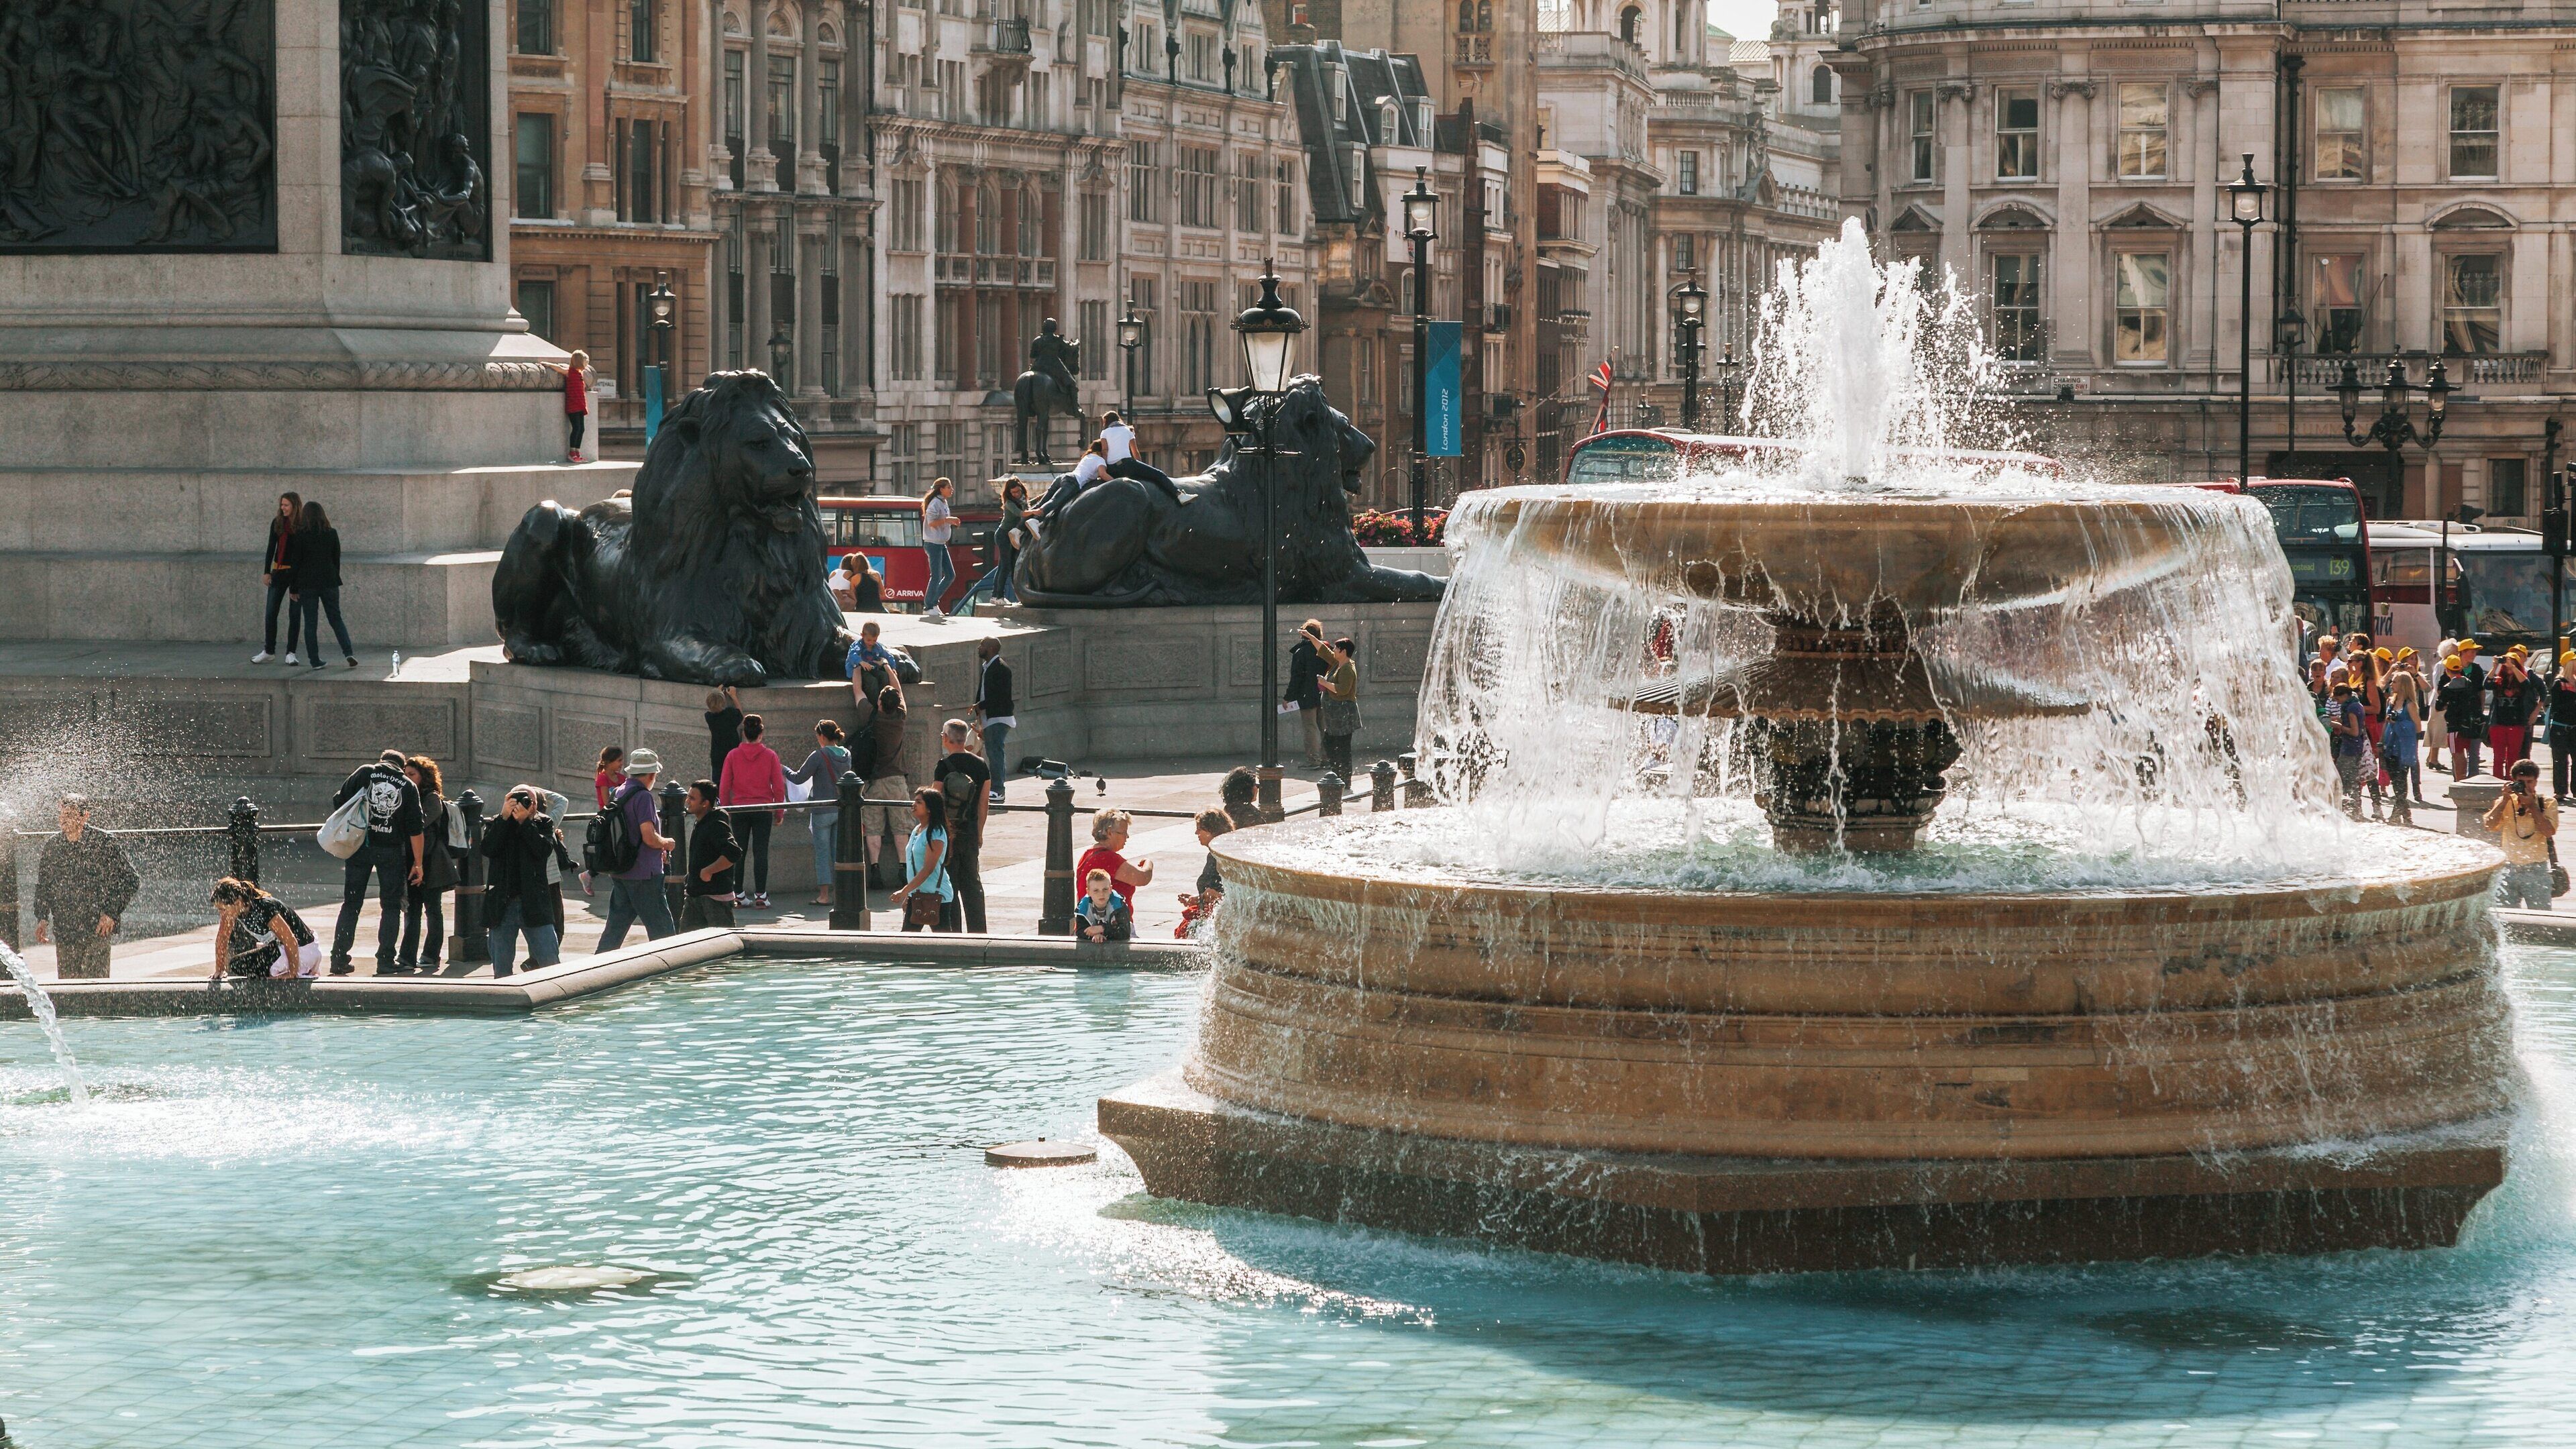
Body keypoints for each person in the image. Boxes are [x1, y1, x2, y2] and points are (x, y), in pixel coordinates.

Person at [327, 748, 426, 975]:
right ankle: (385, 961)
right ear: (401, 767)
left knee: (351, 904)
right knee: (391, 906)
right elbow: (416, 829)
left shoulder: (365, 773)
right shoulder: (407, 786)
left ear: (382, 761)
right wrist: (418, 863)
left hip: (360, 846)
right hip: (390, 851)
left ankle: (339, 959)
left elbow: (339, 800)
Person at [31, 794, 138, 981]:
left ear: (85, 816)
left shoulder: (104, 842)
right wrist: (42, 918)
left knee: (95, 989)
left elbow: (131, 880)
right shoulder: (53, 846)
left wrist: (111, 913)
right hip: (66, 929)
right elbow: (44, 886)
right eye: (62, 814)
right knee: (68, 990)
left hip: (96, 928)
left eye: (71, 814)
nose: (64, 819)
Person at [597, 747, 680, 951]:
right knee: (664, 935)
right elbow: (649, 838)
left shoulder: (619, 791)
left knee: (614, 931)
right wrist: (667, 842)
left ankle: (596, 967)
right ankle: (672, 976)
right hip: (645, 875)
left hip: (621, 871)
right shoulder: (643, 797)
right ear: (652, 774)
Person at [480, 784, 566, 976]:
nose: (522, 805)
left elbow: (543, 850)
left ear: (535, 806)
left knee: (551, 964)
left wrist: (525, 824)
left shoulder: (543, 823)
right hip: (503, 904)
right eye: (515, 800)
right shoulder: (497, 822)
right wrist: (504, 818)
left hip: (534, 902)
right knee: (501, 969)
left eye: (527, 802)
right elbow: (488, 849)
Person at [394, 754, 463, 975]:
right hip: (414, 860)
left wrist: (418, 862)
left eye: (412, 774)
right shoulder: (407, 796)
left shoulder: (431, 798)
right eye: (405, 774)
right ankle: (407, 956)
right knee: (412, 911)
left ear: (424, 776)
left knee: (433, 910)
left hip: (432, 862)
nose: (407, 778)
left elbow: (422, 829)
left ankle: (430, 955)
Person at [718, 713, 787, 910]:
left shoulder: (732, 755)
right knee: (760, 852)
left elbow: (724, 786)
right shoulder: (770, 756)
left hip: (739, 809)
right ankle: (761, 895)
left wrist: (726, 809)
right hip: (763, 809)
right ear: (761, 733)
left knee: (738, 852)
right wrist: (779, 812)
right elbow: (778, 787)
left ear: (744, 733)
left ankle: (738, 893)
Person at [932, 719, 992, 932]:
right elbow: (983, 804)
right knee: (972, 885)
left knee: (950, 885)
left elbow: (935, 802)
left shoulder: (943, 766)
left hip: (948, 836)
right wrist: (979, 833)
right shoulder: (981, 765)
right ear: (965, 738)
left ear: (946, 738)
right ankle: (979, 931)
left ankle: (953, 932)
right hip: (970, 833)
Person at [786, 721, 853, 906]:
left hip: (822, 811)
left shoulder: (819, 755)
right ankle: (841, 894)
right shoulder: (846, 754)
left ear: (822, 736)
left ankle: (824, 896)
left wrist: (783, 769)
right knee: (837, 853)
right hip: (840, 810)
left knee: (823, 854)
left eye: (817, 736)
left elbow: (798, 778)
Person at [286, 498, 358, 670]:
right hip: (329, 582)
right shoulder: (331, 533)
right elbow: (336, 559)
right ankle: (348, 652)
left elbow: (295, 563)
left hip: (307, 584)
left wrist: (293, 588)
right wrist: (334, 576)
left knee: (311, 623)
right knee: (336, 618)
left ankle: (315, 660)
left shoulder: (300, 536)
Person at [2483, 759, 2559, 910]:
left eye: (2530, 782)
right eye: (2521, 782)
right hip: (2508, 868)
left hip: (2537, 870)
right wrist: (2504, 800)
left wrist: (2532, 806)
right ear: (2513, 782)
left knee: (2541, 919)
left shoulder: (2547, 802)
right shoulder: (2506, 801)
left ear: (2536, 782)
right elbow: (2489, 825)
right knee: (2508, 920)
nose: (2525, 786)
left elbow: (2549, 831)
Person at [209, 877, 315, 980]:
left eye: (223, 909)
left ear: (238, 903)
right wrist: (220, 969)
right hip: (283, 949)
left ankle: (300, 970)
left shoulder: (264, 907)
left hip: (303, 951)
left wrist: (293, 973)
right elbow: (222, 939)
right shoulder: (233, 911)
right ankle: (283, 972)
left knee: (240, 964)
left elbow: (290, 941)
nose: (221, 914)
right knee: (238, 964)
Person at [889, 786, 957, 932]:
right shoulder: (917, 830)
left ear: (930, 809)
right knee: (907, 940)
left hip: (938, 896)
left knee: (944, 942)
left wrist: (904, 891)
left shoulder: (936, 832)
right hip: (918, 894)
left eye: (919, 802)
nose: (913, 805)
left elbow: (928, 869)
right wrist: (910, 894)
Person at [860, 684, 910, 881]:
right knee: (901, 827)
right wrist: (890, 669)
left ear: (879, 703)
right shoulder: (900, 718)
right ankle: (903, 867)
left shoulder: (871, 716)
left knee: (873, 827)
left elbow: (858, 691)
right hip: (897, 780)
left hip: (874, 781)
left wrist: (855, 663)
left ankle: (875, 869)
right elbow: (900, 694)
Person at [681, 780, 743, 930]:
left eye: (692, 798)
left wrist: (709, 871)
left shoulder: (716, 824)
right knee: (686, 944)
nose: (687, 801)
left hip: (715, 899)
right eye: (688, 796)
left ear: (705, 804)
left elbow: (733, 853)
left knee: (722, 944)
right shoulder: (701, 820)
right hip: (695, 895)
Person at [252, 490, 303, 663]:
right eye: (281, 505)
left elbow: (301, 554)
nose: (283, 508)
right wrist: (267, 571)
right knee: (271, 612)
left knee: (294, 614)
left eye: (286, 505)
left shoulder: (302, 525)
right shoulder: (278, 522)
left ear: (295, 506)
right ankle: (269, 650)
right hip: (279, 571)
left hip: (296, 573)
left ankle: (291, 652)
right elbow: (270, 548)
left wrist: (296, 584)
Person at [1075, 808, 1155, 910]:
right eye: (1123, 833)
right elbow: (1142, 878)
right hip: (1109, 922)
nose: (1127, 836)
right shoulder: (1107, 858)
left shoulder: (1089, 854)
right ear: (1109, 833)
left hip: (1090, 919)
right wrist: (1149, 863)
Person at [966, 478, 1028, 606]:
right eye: (1014, 492)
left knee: (1004, 567)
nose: (1017, 494)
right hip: (1003, 535)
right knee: (1005, 567)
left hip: (1011, 535)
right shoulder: (1009, 503)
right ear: (1009, 493)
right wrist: (1036, 511)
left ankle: (996, 596)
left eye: (1018, 491)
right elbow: (1021, 514)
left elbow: (1027, 508)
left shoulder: (1022, 500)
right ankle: (998, 595)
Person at [2381, 654, 2424, 823]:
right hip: (2390, 746)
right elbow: (2386, 725)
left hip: (2404, 748)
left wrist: (2399, 723)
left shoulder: (2410, 705)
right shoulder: (2390, 702)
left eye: (2395, 681)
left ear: (2404, 685)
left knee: (2401, 782)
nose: (2392, 684)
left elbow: (2418, 728)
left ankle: (2395, 815)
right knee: (2396, 782)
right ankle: (2406, 815)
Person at [1176, 808, 1230, 939]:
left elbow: (1223, 895)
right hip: (1211, 916)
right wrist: (1196, 898)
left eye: (1200, 828)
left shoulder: (1222, 857)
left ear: (1212, 830)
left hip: (1219, 920)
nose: (1196, 832)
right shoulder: (1214, 855)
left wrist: (1200, 899)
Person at [975, 637, 1015, 802]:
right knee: (994, 752)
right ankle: (996, 789)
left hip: (998, 717)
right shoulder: (988, 667)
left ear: (991, 649)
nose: (979, 647)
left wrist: (981, 705)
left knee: (996, 753)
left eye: (982, 645)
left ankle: (998, 790)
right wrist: (978, 706)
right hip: (991, 717)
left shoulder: (1000, 668)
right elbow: (984, 691)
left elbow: (999, 696)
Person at [2437, 653, 2489, 781]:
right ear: (2460, 669)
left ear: (2447, 670)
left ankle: (2460, 782)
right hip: (2470, 726)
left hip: (2454, 726)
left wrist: (2448, 705)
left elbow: (2439, 706)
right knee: (2472, 755)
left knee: (2457, 755)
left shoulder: (2448, 687)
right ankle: (2467, 781)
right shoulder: (2469, 683)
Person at [1317, 635, 1361, 783]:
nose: (1333, 650)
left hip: (1343, 715)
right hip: (1335, 717)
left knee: (1342, 748)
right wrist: (1311, 637)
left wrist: (1324, 682)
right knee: (1331, 744)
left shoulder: (1348, 668)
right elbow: (1324, 652)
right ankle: (1337, 775)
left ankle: (1344, 779)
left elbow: (1342, 690)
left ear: (1343, 651)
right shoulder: (1338, 663)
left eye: (1336, 648)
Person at [1283, 620, 1326, 767]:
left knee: (1310, 728)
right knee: (1324, 727)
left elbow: (1296, 677)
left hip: (1307, 695)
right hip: (1324, 694)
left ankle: (1313, 760)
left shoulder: (1301, 652)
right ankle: (1327, 758)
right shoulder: (1325, 650)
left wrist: (1288, 697)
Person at [2490, 649, 2539, 780]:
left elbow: (2527, 685)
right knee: (2498, 757)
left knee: (2513, 757)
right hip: (2498, 723)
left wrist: (2514, 667)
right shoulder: (2499, 680)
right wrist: (2495, 667)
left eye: (2513, 662)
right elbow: (2487, 684)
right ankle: (2497, 782)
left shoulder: (2521, 680)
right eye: (2507, 662)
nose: (2508, 665)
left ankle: (2512, 783)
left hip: (2517, 723)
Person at [2326, 680, 2368, 818]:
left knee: (2342, 779)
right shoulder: (2357, 704)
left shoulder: (2351, 709)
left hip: (2350, 748)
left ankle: (2349, 810)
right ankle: (2356, 809)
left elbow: (2354, 731)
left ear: (2344, 696)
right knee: (2353, 780)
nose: (2338, 703)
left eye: (2338, 699)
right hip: (2357, 746)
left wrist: (2339, 727)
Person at [921, 477, 958, 621]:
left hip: (941, 543)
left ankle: (933, 602)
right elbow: (932, 523)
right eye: (949, 487)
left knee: (950, 575)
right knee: (936, 575)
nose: (951, 490)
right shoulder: (935, 503)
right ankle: (929, 606)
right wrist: (948, 520)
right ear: (941, 489)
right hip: (933, 543)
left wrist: (951, 521)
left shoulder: (943, 502)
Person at [847, 620, 898, 721]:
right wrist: (861, 662)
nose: (871, 643)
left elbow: (888, 656)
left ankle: (884, 700)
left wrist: (893, 667)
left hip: (873, 668)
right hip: (860, 670)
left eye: (874, 640)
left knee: (883, 676)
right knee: (871, 681)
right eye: (869, 640)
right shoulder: (857, 646)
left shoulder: (878, 647)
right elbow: (852, 656)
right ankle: (875, 705)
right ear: (862, 635)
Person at [1076, 868, 1132, 943]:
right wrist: (1095, 935)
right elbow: (1080, 931)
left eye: (1105, 889)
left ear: (1110, 889)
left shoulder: (1119, 905)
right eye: (1096, 891)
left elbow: (1125, 933)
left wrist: (1102, 929)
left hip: (1122, 942)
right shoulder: (1083, 908)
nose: (1101, 894)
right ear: (1088, 892)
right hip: (1096, 940)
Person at [2549, 653, 2576, 804]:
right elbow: (2556, 706)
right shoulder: (2559, 683)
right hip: (2560, 727)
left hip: (2574, 727)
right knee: (2560, 760)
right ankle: (2560, 791)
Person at [705, 685, 744, 782]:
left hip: (717, 756)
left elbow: (714, 707)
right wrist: (734, 697)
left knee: (717, 782)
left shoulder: (709, 717)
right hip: (732, 753)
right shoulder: (730, 714)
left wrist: (717, 695)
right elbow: (740, 713)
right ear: (724, 701)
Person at [560, 349, 592, 464]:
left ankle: (577, 452)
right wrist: (548, 364)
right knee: (577, 428)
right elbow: (559, 369)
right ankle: (572, 453)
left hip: (580, 405)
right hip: (573, 405)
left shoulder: (580, 373)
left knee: (581, 429)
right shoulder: (570, 372)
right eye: (584, 362)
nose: (586, 365)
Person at [1220, 765, 1263, 830]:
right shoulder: (1251, 814)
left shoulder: (1227, 810)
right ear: (1248, 789)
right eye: (1256, 785)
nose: (1257, 788)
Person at [594, 745, 627, 810]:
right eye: (619, 761)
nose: (622, 763)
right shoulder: (603, 778)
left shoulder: (622, 778)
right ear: (609, 762)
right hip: (608, 816)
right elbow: (607, 803)